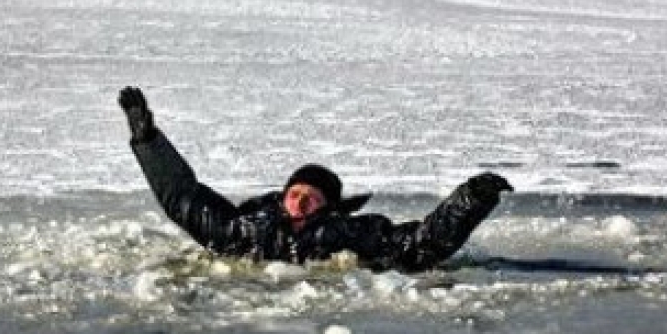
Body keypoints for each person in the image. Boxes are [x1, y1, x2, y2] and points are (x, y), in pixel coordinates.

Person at [118, 86, 513, 272]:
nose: (300, 201)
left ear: (329, 206)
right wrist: (147, 140)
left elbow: (420, 245)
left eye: (312, 197)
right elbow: (183, 198)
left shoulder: (352, 234)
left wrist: (471, 199)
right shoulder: (246, 229)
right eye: (295, 193)